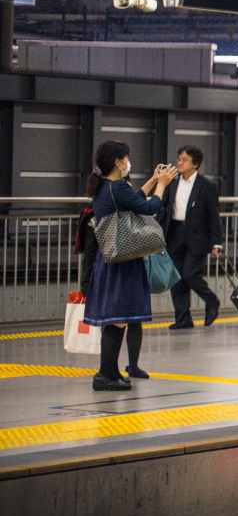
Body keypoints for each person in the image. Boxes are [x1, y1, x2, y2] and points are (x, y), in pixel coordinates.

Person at [84, 141, 177, 391]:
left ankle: (111, 373)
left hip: (113, 261)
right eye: (126, 158)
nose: (128, 162)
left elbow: (132, 199)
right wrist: (162, 185)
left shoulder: (107, 187)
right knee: (117, 320)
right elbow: (149, 207)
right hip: (122, 263)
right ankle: (104, 375)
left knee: (117, 320)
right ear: (117, 161)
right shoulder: (116, 187)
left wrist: (151, 181)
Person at [162, 145, 223, 329]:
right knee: (176, 279)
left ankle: (212, 300)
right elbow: (164, 208)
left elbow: (214, 216)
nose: (179, 163)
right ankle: (183, 319)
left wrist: (216, 243)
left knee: (190, 274)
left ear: (195, 164)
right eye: (179, 159)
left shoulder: (206, 186)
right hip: (174, 233)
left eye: (184, 160)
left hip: (197, 237)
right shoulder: (171, 182)